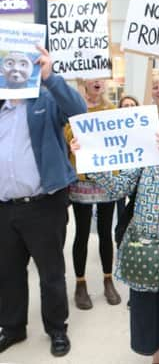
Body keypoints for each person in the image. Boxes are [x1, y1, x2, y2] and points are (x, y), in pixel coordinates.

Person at [71, 99, 159, 364]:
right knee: (151, 309)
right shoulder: (143, 156)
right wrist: (89, 161)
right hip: (145, 249)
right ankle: (157, 359)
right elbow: (117, 188)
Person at [0, 46, 86, 356]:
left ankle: (56, 329)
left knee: (50, 273)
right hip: (5, 206)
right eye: (7, 63)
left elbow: (79, 110)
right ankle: (12, 327)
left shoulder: (45, 100)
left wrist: (51, 78)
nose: (14, 69)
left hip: (43, 204)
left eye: (21, 63)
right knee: (7, 271)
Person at [64, 79, 121, 310]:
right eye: (93, 78)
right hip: (82, 180)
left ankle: (108, 280)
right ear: (83, 82)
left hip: (107, 178)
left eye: (101, 77)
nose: (97, 82)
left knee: (106, 232)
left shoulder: (112, 110)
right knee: (82, 233)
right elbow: (67, 136)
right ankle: (80, 284)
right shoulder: (74, 110)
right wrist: (71, 142)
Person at [114, 94, 141, 247]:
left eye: (132, 105)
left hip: (137, 178)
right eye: (126, 106)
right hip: (120, 176)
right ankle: (120, 240)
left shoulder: (143, 127)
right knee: (120, 210)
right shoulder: (115, 129)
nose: (129, 108)